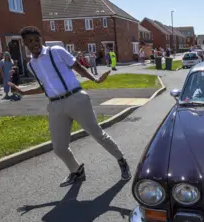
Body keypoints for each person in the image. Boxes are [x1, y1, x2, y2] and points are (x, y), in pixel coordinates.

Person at [8, 26, 131, 186]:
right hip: (55, 105)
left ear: (41, 39)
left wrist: (94, 79)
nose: (34, 44)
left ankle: (121, 160)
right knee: (59, 147)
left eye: (37, 40)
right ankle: (76, 171)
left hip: (76, 98)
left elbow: (78, 68)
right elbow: (44, 87)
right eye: (30, 41)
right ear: (25, 44)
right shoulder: (32, 64)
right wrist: (23, 92)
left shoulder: (56, 51)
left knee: (96, 134)